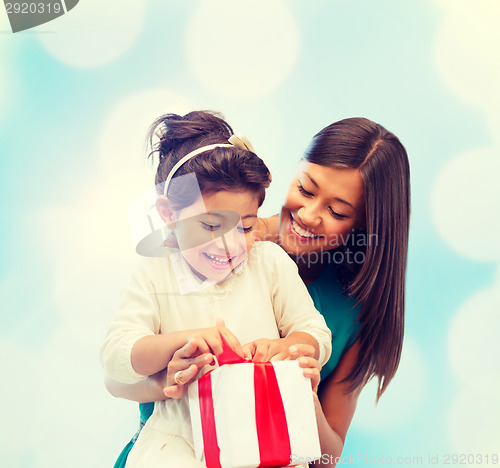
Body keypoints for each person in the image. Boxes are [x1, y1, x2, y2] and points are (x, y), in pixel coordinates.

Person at [106, 116, 411, 468]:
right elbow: (116, 373)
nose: (309, 215)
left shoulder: (313, 290)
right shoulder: (193, 244)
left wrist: (299, 385)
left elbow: (327, 457)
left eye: (337, 211)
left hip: (264, 448)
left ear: (364, 224)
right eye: (306, 189)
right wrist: (172, 376)